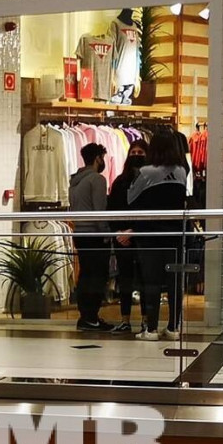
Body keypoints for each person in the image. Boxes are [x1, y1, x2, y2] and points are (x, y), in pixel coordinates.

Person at [123, 131, 188, 341]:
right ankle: (174, 327)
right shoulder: (181, 171)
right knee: (174, 281)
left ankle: (151, 329)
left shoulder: (146, 172)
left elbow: (131, 199)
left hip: (150, 234)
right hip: (175, 235)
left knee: (151, 281)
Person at [69, 142, 112, 332]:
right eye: (102, 158)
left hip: (80, 233)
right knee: (98, 276)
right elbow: (99, 210)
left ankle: (85, 316)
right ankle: (92, 316)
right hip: (95, 235)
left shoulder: (75, 181)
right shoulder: (97, 179)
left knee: (85, 274)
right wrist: (106, 233)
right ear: (98, 158)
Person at [108, 140, 148, 334]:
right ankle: (125, 320)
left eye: (140, 152)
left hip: (142, 235)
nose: (136, 155)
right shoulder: (119, 181)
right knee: (125, 279)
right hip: (122, 236)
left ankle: (146, 320)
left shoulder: (149, 180)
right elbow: (111, 209)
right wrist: (118, 232)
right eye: (134, 152)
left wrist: (134, 230)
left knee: (145, 279)